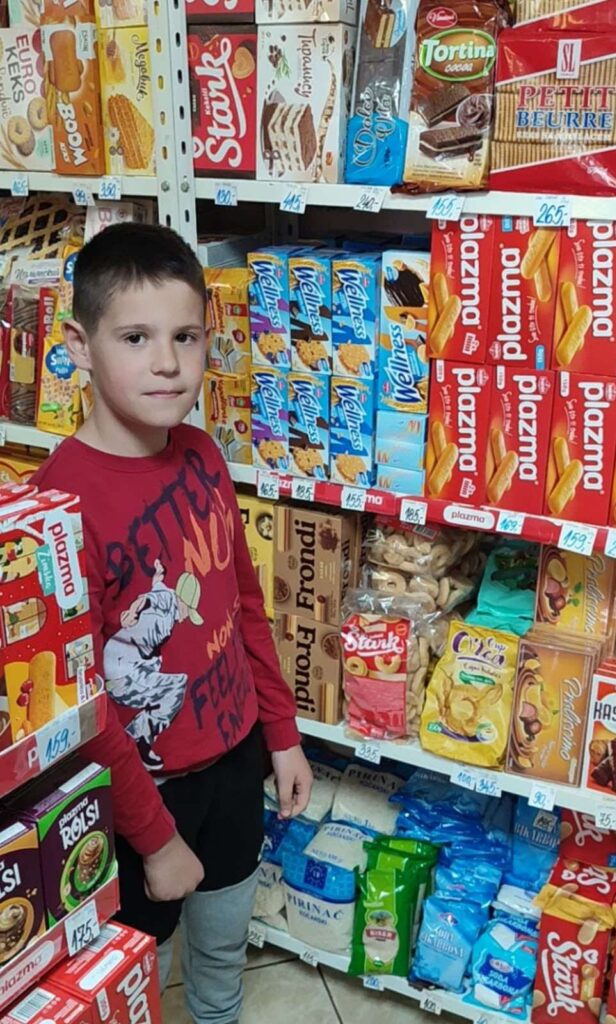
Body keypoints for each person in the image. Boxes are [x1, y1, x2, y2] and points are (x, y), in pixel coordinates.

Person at [32, 222, 313, 1024]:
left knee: (222, 949)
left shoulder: (202, 454)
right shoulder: (58, 509)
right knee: (135, 969)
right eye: (136, 338)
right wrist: (154, 840)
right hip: (137, 798)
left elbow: (243, 604)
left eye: (185, 336)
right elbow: (82, 708)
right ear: (79, 348)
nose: (167, 362)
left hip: (234, 762)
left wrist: (282, 733)